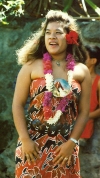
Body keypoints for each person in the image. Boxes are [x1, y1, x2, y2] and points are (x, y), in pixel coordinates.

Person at [12, 10, 91, 178]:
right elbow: (17, 105)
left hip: (65, 150)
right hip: (32, 147)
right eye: (48, 32)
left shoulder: (81, 70)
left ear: (70, 37)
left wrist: (72, 142)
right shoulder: (31, 66)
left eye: (58, 33)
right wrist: (25, 140)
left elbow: (84, 111)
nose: (51, 36)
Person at [80, 46, 100, 146]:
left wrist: (85, 116)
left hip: (83, 128)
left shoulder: (98, 82)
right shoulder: (74, 76)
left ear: (93, 61)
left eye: (85, 56)